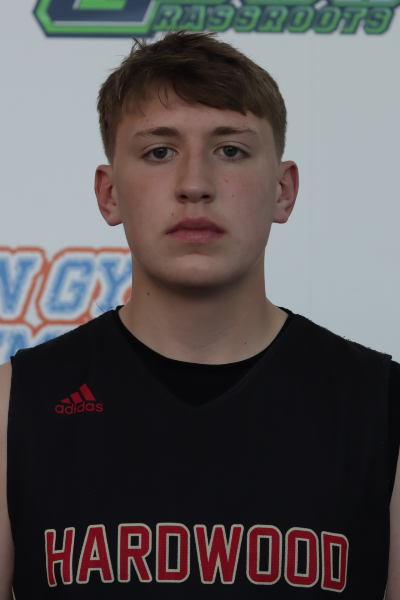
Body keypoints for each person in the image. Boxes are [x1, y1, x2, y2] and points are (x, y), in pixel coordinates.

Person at [0, 30, 398, 599]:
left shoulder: (381, 407)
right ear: (109, 194)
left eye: (230, 150)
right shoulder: (14, 407)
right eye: (159, 152)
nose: (195, 185)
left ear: (283, 190)